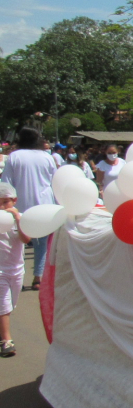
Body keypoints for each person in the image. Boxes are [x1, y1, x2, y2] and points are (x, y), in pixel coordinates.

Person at [0, 127, 57, 291]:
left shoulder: (14, 157)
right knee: (42, 244)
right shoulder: (47, 157)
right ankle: (38, 278)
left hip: (20, 208)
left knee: (17, 244)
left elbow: (7, 184)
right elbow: (55, 181)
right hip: (45, 206)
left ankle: (14, 275)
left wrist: (5, 204)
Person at [0, 183, 31, 357]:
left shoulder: (22, 217)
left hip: (17, 268)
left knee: (11, 305)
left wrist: (18, 219)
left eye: (6, 202)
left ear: (14, 200)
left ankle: (2, 331)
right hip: (0, 270)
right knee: (3, 304)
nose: (3, 206)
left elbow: (26, 239)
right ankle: (7, 341)